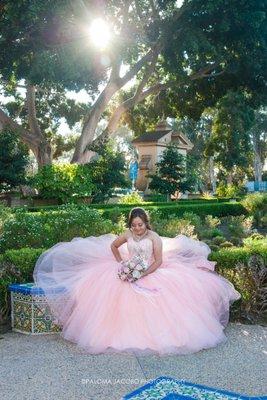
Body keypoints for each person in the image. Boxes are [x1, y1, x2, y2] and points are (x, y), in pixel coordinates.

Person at [33, 207, 241, 355]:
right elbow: (114, 246)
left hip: (150, 271)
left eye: (140, 225)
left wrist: (143, 273)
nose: (137, 229)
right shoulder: (128, 234)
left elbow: (159, 261)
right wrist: (121, 264)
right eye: (134, 225)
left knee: (157, 304)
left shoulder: (154, 238)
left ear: (146, 223)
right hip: (128, 269)